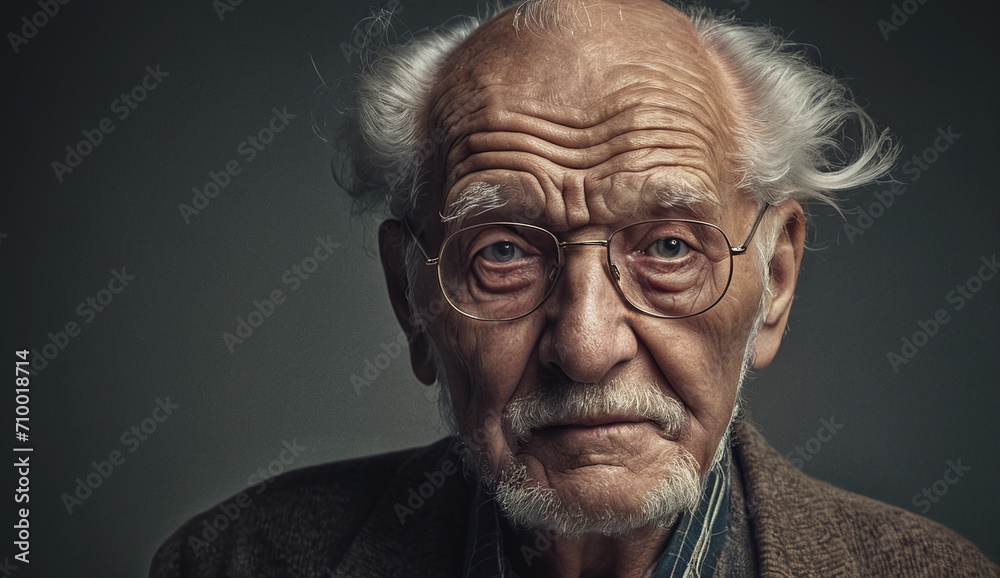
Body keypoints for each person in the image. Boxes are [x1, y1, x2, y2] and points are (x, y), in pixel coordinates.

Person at [151, 0, 999, 575]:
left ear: (774, 282)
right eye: (505, 254)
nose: (587, 347)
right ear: (412, 298)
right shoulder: (238, 561)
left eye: (670, 246)